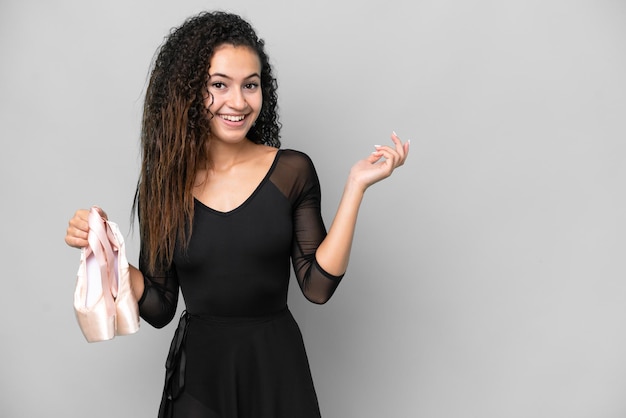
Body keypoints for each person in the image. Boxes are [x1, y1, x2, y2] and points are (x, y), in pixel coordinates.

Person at [65, 11, 409, 418]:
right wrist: (107, 250)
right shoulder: (164, 185)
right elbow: (159, 306)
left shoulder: (292, 171)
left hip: (276, 369)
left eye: (251, 85)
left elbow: (317, 286)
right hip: (199, 381)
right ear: (189, 92)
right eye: (219, 85)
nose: (239, 102)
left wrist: (356, 186)